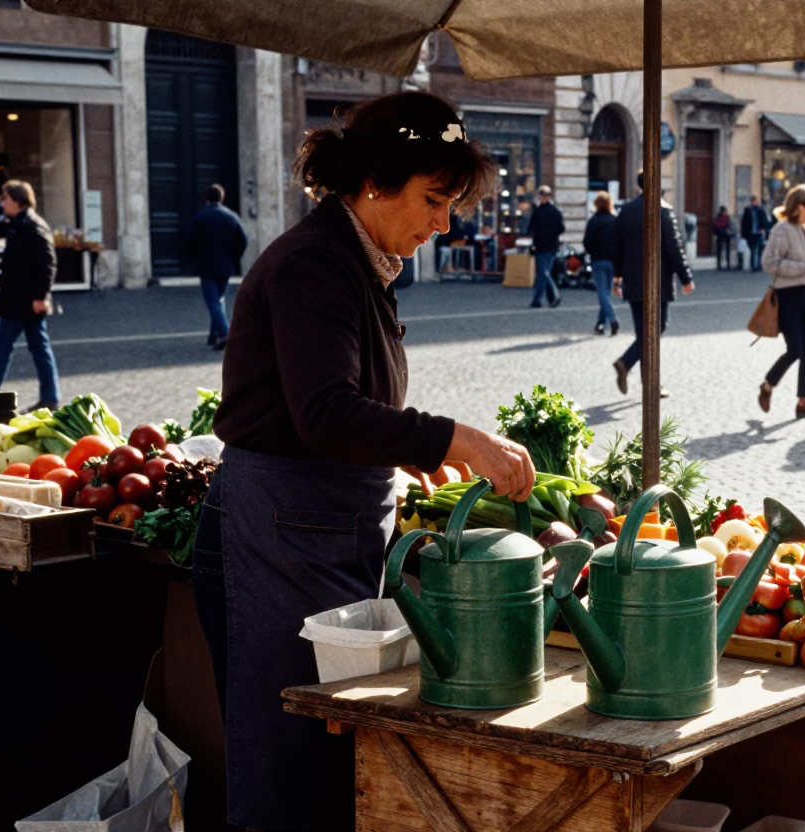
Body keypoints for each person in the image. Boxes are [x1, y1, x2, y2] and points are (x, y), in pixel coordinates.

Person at [193, 92, 536, 832]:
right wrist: (455, 439)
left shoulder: (358, 260)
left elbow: (343, 401)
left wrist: (402, 450)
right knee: (287, 753)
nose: (444, 223)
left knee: (330, 747)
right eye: (434, 200)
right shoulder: (316, 265)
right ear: (376, 182)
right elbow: (322, 411)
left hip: (325, 521)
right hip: (279, 528)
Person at [0, 180, 61, 411]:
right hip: (18, 300)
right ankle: (50, 398)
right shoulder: (19, 223)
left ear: (17, 201)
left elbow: (48, 263)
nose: (2, 203)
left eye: (6, 199)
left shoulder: (34, 226)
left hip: (25, 302)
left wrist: (41, 297)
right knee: (35, 349)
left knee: (3, 350)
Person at [612, 170, 694, 397]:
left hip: (632, 281)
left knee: (644, 333)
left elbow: (617, 249)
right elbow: (674, 248)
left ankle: (650, 383)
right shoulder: (663, 210)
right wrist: (686, 277)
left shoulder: (626, 211)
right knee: (656, 331)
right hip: (658, 283)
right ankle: (628, 364)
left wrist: (617, 278)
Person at [758, 184, 805, 418]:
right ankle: (768, 385)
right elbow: (769, 263)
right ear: (800, 207)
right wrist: (804, 267)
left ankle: (803, 402)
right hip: (787, 297)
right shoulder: (782, 230)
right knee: (795, 349)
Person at [187, 183, 248, 350]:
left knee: (213, 302)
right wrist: (234, 258)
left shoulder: (200, 217)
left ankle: (226, 334)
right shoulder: (232, 217)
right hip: (225, 266)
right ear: (222, 198)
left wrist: (195, 260)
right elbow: (243, 241)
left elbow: (190, 242)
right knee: (218, 301)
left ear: (205, 198)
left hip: (206, 267)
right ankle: (214, 335)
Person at [583, 191, 618, 335]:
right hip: (613, 260)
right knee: (606, 292)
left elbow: (587, 241)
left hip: (598, 260)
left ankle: (613, 319)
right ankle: (600, 323)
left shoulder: (593, 221)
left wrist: (592, 252)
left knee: (602, 292)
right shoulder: (615, 220)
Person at [526, 184, 563, 308]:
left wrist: (539, 234)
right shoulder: (555, 212)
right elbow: (561, 228)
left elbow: (530, 229)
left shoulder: (537, 212)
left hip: (541, 246)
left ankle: (554, 294)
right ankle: (541, 299)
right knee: (545, 273)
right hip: (552, 245)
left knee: (544, 273)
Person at [741, 195, 771, 272]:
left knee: (759, 250)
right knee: (753, 250)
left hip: (759, 233)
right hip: (751, 233)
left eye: (756, 201)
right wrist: (744, 234)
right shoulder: (748, 210)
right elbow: (744, 223)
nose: (755, 202)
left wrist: (764, 229)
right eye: (754, 201)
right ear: (751, 202)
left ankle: (758, 265)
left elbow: (764, 221)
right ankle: (754, 266)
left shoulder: (760, 210)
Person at [713, 205, 734, 270]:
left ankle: (727, 264)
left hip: (726, 235)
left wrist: (729, 231)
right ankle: (719, 265)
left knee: (727, 250)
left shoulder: (726, 217)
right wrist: (725, 231)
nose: (725, 212)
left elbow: (730, 225)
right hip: (721, 235)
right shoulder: (718, 218)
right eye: (725, 211)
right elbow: (716, 227)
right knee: (719, 250)